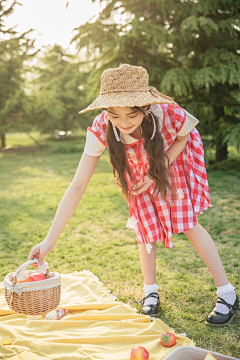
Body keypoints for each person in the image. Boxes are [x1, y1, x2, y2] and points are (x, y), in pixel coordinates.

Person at [28, 64, 239, 327]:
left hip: (172, 158)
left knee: (187, 224)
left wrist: (157, 169)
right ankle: (150, 290)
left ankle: (227, 294)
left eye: (131, 115)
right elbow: (78, 185)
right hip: (136, 168)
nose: (124, 124)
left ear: (145, 107)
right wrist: (49, 240)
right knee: (144, 226)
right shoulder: (100, 128)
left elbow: (184, 138)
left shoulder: (167, 113)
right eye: (114, 116)